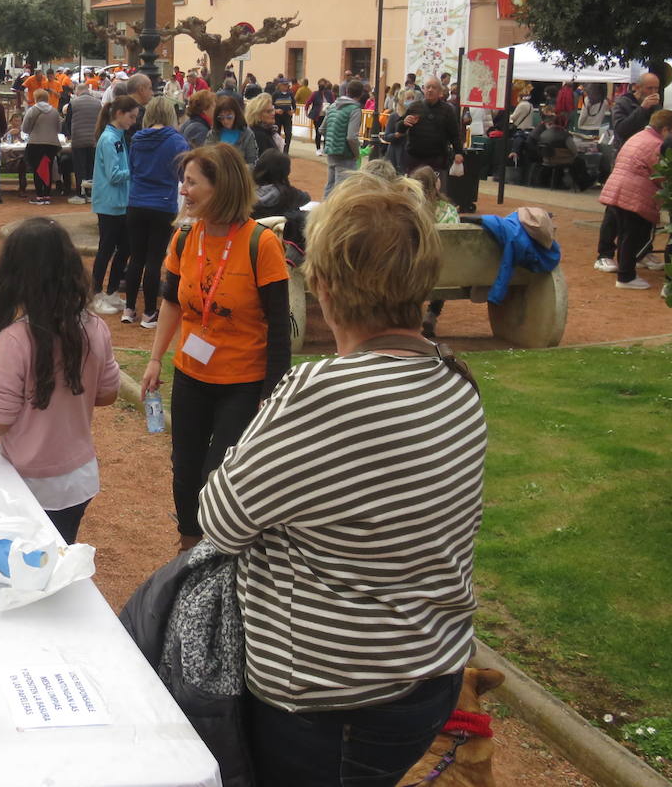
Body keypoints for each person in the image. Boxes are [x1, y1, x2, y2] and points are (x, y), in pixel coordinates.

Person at [199, 172, 487, 787]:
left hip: (332, 696)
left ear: (323, 285)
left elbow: (220, 520)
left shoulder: (323, 392)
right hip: (424, 670)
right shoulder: (456, 381)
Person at [139, 143, 292, 550]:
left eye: (192, 182)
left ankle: (218, 550)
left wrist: (270, 394)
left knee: (218, 473)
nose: (183, 191)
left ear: (221, 187)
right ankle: (188, 550)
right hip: (191, 372)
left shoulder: (262, 244)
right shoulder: (185, 237)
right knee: (185, 470)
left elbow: (279, 327)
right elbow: (171, 302)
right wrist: (155, 358)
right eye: (183, 181)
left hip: (243, 381)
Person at [0, 219, 121, 544]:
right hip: (79, 480)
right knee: (56, 558)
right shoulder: (95, 327)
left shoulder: (15, 339)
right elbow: (107, 394)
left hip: (28, 483)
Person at [123, 96, 189, 327]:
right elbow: (184, 175)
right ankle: (149, 312)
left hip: (136, 202)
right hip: (162, 204)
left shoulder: (137, 139)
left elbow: (132, 168)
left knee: (136, 258)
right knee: (154, 260)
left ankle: (129, 308)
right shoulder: (177, 142)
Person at [600, 109, 672, 290]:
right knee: (631, 235)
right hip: (635, 193)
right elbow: (660, 174)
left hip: (618, 188)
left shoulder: (637, 137)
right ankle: (626, 276)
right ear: (666, 129)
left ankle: (627, 271)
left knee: (626, 234)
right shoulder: (657, 145)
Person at [595, 73, 663, 272]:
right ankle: (604, 254)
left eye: (656, 89)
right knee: (615, 209)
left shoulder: (656, 106)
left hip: (647, 162)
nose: (653, 93)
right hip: (624, 161)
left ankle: (642, 252)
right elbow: (622, 129)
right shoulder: (623, 104)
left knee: (645, 208)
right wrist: (642, 110)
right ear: (637, 87)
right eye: (649, 88)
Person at [91, 95, 140, 313]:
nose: (134, 121)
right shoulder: (109, 139)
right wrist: (136, 170)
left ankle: (110, 292)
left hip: (120, 202)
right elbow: (113, 174)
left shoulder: (117, 137)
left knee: (125, 248)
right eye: (131, 116)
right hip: (110, 203)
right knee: (106, 249)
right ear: (119, 114)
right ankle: (95, 294)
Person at [408, 165, 458, 339]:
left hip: (412, 271)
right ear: (436, 185)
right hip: (444, 272)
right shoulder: (449, 209)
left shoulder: (407, 209)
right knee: (443, 264)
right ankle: (432, 313)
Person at [402, 76, 464, 175]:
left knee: (435, 188)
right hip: (414, 158)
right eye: (428, 87)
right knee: (414, 188)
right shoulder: (414, 107)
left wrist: (458, 152)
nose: (430, 90)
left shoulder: (447, 110)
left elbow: (455, 134)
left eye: (434, 87)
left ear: (440, 91)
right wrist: (403, 123)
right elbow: (399, 129)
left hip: (437, 159)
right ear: (423, 89)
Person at [251, 149, 310, 253]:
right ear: (285, 172)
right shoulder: (288, 193)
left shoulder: (246, 191)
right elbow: (306, 197)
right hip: (278, 243)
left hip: (251, 240)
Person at [320, 80, 365, 197]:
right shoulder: (355, 109)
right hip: (346, 154)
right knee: (343, 191)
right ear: (361, 94)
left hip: (332, 151)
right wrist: (357, 153)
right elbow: (351, 137)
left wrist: (332, 140)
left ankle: (325, 211)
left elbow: (322, 129)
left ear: (346, 91)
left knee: (330, 186)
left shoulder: (333, 106)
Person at [22, 88, 63, 205]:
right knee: (48, 168)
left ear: (36, 98)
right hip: (52, 144)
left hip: (35, 143)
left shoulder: (32, 110)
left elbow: (24, 128)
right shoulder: (55, 111)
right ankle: (47, 194)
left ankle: (39, 195)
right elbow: (59, 129)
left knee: (37, 169)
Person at [68, 84, 102, 202]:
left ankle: (81, 194)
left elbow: (68, 121)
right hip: (94, 139)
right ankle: (91, 193)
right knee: (91, 167)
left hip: (78, 139)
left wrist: (69, 135)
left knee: (80, 167)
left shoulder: (73, 103)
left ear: (78, 91)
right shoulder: (98, 103)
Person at [212, 94, 259, 169]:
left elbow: (253, 163)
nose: (225, 121)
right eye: (221, 118)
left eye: (229, 117)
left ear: (236, 115)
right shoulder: (213, 133)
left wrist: (237, 170)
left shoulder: (247, 134)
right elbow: (206, 157)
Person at [244, 93, 281, 158]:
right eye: (268, 111)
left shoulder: (267, 131)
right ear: (257, 115)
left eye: (272, 110)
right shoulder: (259, 135)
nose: (273, 113)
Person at [271, 78, 296, 151]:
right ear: (280, 85)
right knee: (277, 133)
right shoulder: (275, 94)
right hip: (277, 117)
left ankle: (286, 150)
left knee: (288, 133)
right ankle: (277, 149)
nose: (285, 86)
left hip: (287, 116)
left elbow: (294, 105)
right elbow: (271, 105)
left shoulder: (290, 94)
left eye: (287, 85)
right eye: (284, 85)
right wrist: (276, 110)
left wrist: (292, 111)